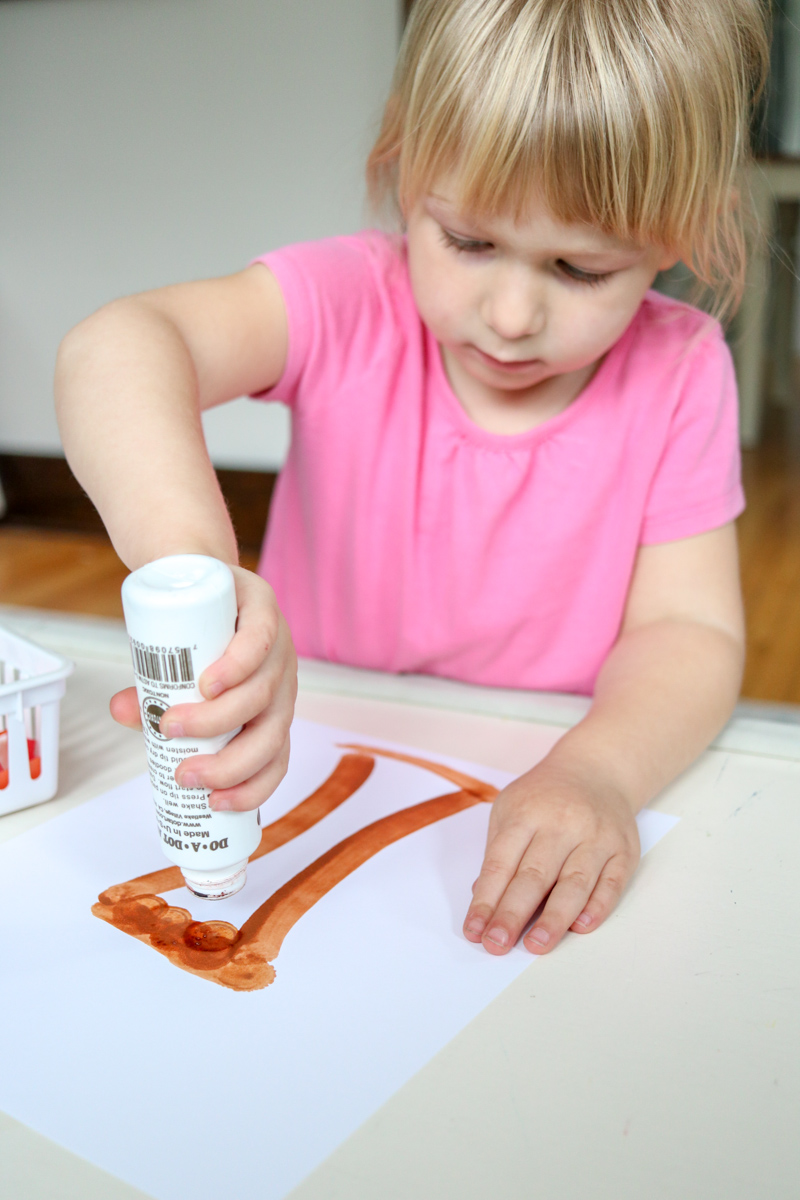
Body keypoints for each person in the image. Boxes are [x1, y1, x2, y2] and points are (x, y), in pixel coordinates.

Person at [55, 0, 770, 958]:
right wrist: (196, 569)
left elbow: (689, 632)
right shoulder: (352, 302)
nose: (510, 316)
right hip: (313, 757)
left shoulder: (680, 371)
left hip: (543, 769)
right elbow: (117, 347)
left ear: (684, 230)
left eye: (580, 267)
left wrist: (600, 773)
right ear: (403, 165)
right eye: (468, 242)